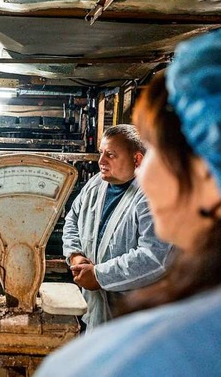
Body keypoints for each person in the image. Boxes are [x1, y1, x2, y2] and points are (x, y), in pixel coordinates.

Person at [36, 21, 221, 376]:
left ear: (211, 170)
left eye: (152, 148)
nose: (146, 172)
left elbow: (151, 259)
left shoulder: (114, 364)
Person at [62, 124, 172, 330]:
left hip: (133, 321)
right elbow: (72, 219)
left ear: (137, 159)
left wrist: (99, 275)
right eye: (101, 153)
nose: (101, 161)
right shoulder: (96, 185)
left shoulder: (154, 196)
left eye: (110, 155)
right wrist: (75, 255)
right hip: (92, 310)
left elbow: (155, 257)